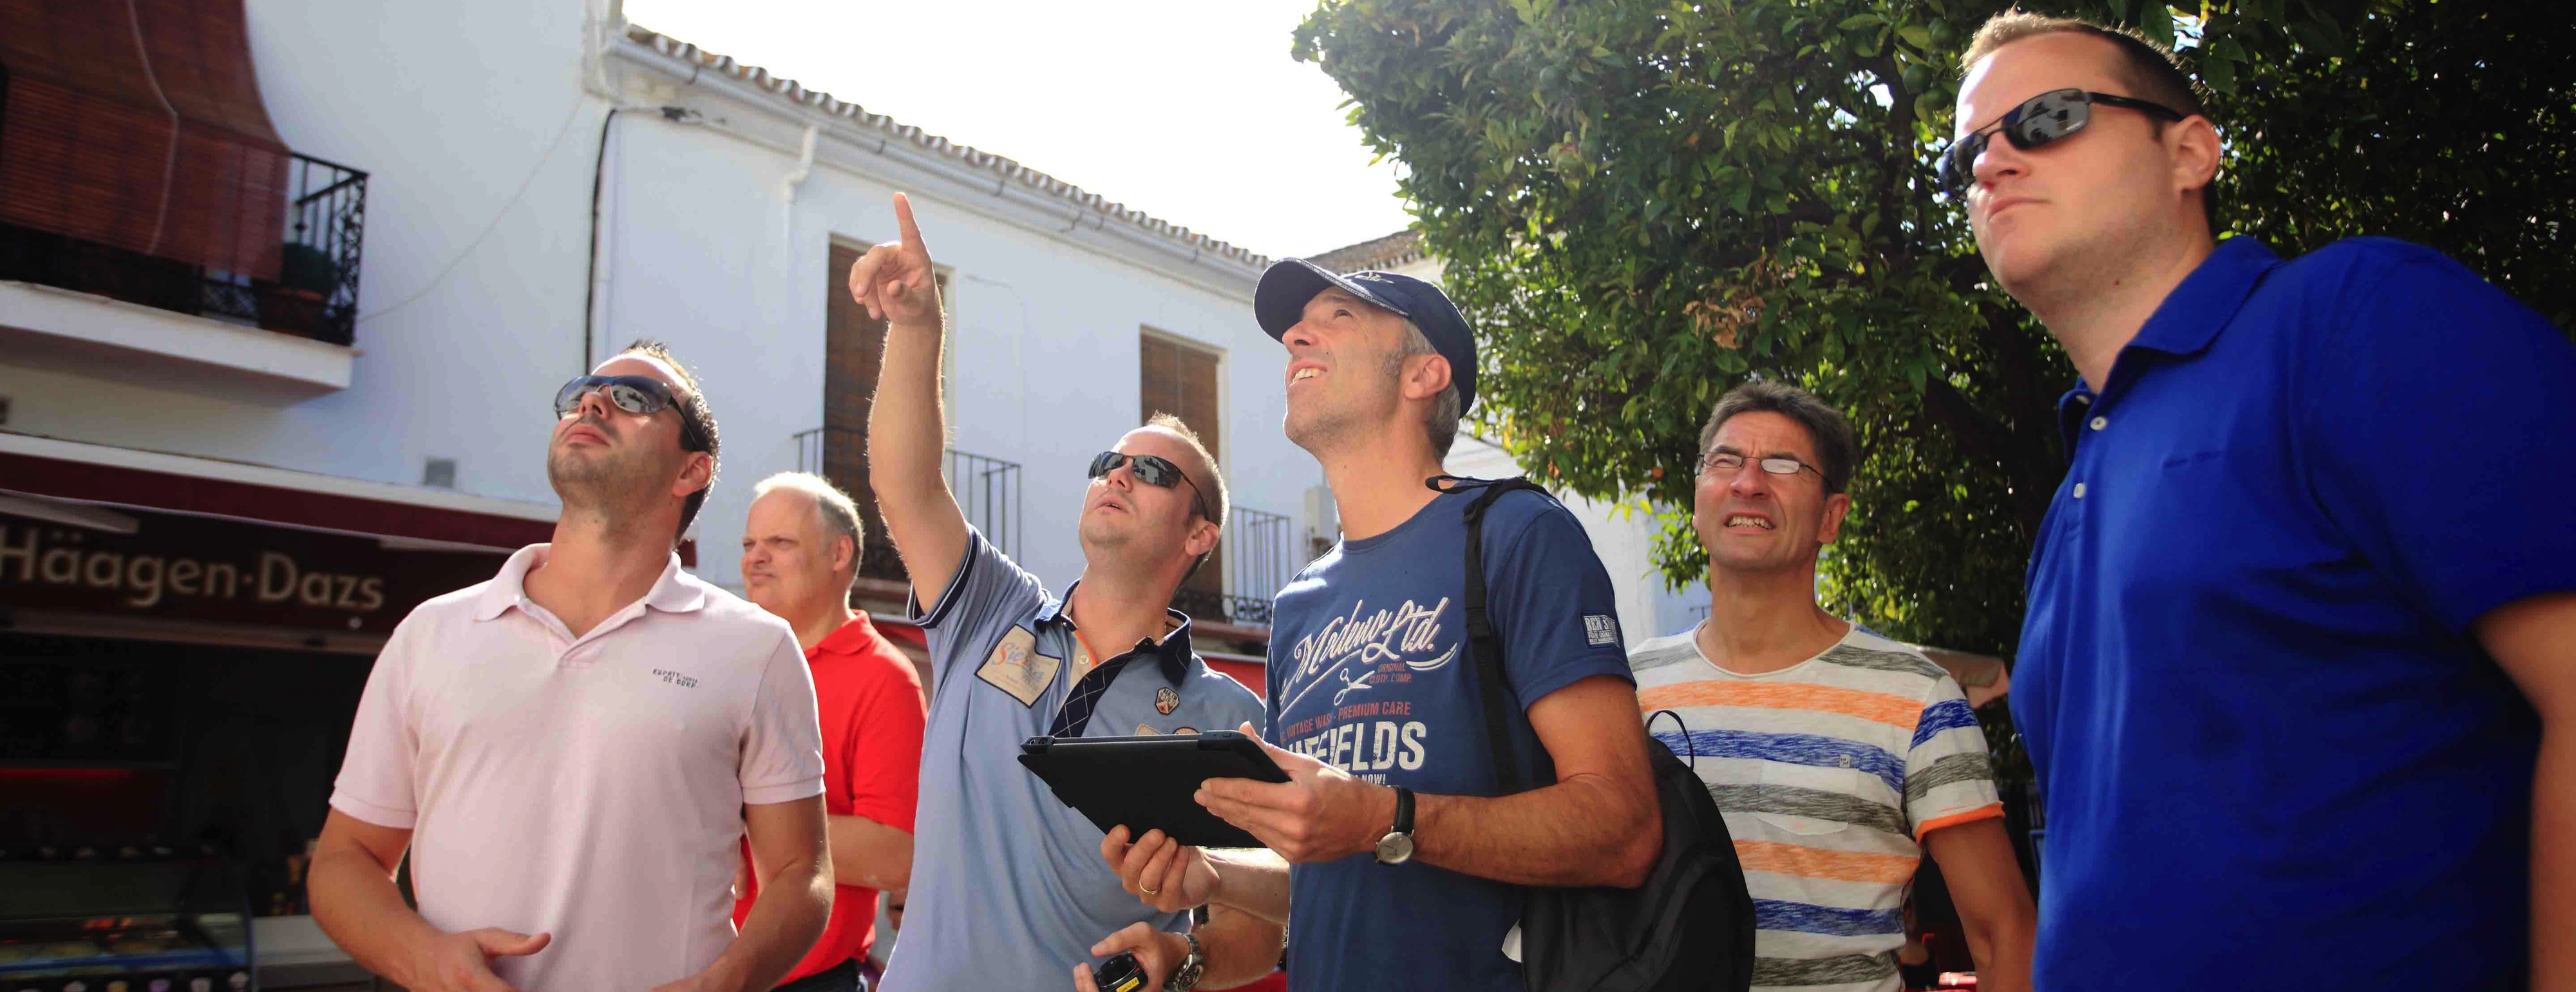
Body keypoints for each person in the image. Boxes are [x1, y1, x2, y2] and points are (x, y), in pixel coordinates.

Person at [1950, 12, 2576, 989]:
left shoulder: (2355, 316)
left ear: (2189, 152)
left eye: (2046, 117)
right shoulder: (2081, 474)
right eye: (1967, 155)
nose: (1993, 162)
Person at [1095, 261, 1665, 992]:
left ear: (1424, 374)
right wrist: (1214, 876)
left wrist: (1382, 817)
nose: (1296, 337)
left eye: (1339, 317)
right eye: (1297, 328)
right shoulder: (1299, 605)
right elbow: (1327, 878)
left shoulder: (1516, 534)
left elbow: (1624, 830)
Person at [843, 193, 1283, 992]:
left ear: (1199, 534)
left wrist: (1182, 961)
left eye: (1152, 471)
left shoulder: (1229, 716)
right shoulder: (991, 610)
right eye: (1109, 463)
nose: (1119, 475)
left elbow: (1262, 925)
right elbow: (906, 485)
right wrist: (917, 329)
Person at [309, 343, 834, 992]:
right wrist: (425, 959)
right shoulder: (431, 632)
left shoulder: (755, 647)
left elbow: (801, 874)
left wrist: (726, 982)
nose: (592, 403)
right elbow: (345, 860)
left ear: (691, 470)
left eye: (634, 397)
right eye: (580, 393)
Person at [1625, 382, 2036, 992]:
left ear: (1831, 517)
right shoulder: (1626, 687)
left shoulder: (1917, 697)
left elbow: (2006, 936)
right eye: (1726, 461)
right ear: (1696, 501)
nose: (1749, 483)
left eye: (1783, 465)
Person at [735, 472, 929, 992]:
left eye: (780, 543)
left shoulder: (884, 677)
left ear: (839, 554)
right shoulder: (727, 659)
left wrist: (742, 814)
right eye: (749, 544)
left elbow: (897, 855)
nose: (755, 559)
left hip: (806, 981)